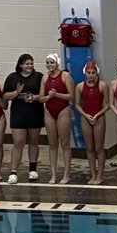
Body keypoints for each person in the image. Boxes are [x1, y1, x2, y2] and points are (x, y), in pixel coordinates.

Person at [2, 53, 43, 184]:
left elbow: (43, 94)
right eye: (27, 63)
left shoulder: (39, 77)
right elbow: (5, 96)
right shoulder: (13, 77)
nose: (29, 66)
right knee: (18, 142)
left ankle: (33, 169)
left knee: (34, 141)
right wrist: (17, 92)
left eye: (31, 63)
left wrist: (34, 97)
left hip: (34, 113)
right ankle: (14, 171)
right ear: (20, 65)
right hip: (18, 115)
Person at [36, 53, 74, 185]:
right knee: (52, 144)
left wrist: (56, 94)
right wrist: (49, 97)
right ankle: (53, 174)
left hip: (63, 110)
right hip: (49, 111)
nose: (49, 65)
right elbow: (41, 98)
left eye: (51, 62)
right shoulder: (44, 78)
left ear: (57, 63)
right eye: (47, 62)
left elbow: (71, 96)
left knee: (64, 144)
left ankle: (66, 174)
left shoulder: (65, 76)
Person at [74, 61, 108, 186]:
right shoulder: (80, 87)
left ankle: (100, 175)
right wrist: (85, 115)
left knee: (99, 148)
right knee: (89, 148)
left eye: (93, 73)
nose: (91, 75)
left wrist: (97, 115)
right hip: (86, 118)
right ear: (85, 73)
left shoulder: (102, 85)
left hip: (99, 118)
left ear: (96, 73)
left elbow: (108, 104)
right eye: (89, 73)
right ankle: (93, 174)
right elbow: (77, 105)